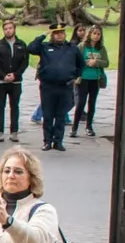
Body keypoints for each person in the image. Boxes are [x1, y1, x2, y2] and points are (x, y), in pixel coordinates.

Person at [28, 23, 84, 152]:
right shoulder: (45, 47)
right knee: (48, 115)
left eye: (61, 33)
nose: (59, 35)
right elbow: (31, 48)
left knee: (61, 115)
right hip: (48, 86)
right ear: (52, 35)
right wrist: (43, 35)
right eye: (56, 33)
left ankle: (58, 141)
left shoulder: (72, 48)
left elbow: (81, 64)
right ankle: (47, 141)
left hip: (65, 86)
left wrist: (75, 76)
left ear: (65, 34)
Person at [0, 19, 28, 143]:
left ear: (14, 29)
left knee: (15, 106)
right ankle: (0, 131)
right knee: (0, 106)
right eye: (6, 29)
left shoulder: (21, 44)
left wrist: (16, 75)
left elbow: (25, 62)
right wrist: (3, 76)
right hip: (0, 82)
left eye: (10, 28)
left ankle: (14, 132)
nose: (8, 31)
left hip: (15, 82)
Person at [72, 25, 108, 138]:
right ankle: (74, 128)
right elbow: (75, 60)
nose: (96, 36)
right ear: (90, 34)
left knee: (92, 104)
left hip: (95, 79)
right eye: (94, 33)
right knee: (81, 103)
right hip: (83, 79)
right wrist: (86, 62)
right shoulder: (82, 46)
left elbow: (106, 63)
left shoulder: (101, 48)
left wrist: (96, 62)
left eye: (98, 34)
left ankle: (89, 127)